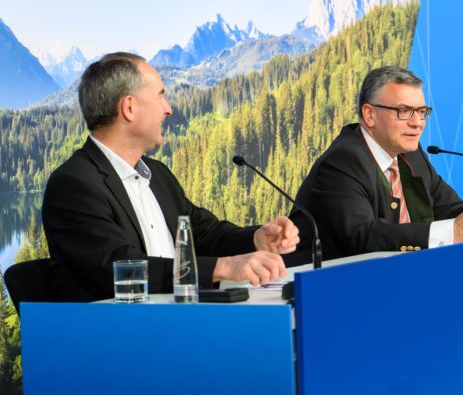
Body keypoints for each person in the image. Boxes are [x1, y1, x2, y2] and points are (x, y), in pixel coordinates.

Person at [42, 52, 299, 301]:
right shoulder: (73, 185)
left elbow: (204, 234)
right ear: (129, 107)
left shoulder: (158, 175)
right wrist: (222, 267)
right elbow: (120, 266)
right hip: (117, 328)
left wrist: (256, 238)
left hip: (176, 320)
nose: (168, 109)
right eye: (160, 96)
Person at [289, 66, 463, 260]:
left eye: (421, 112)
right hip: (322, 290)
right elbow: (363, 237)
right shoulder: (343, 161)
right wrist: (453, 231)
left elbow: (450, 209)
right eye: (404, 111)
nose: (417, 122)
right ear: (369, 114)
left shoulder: (410, 153)